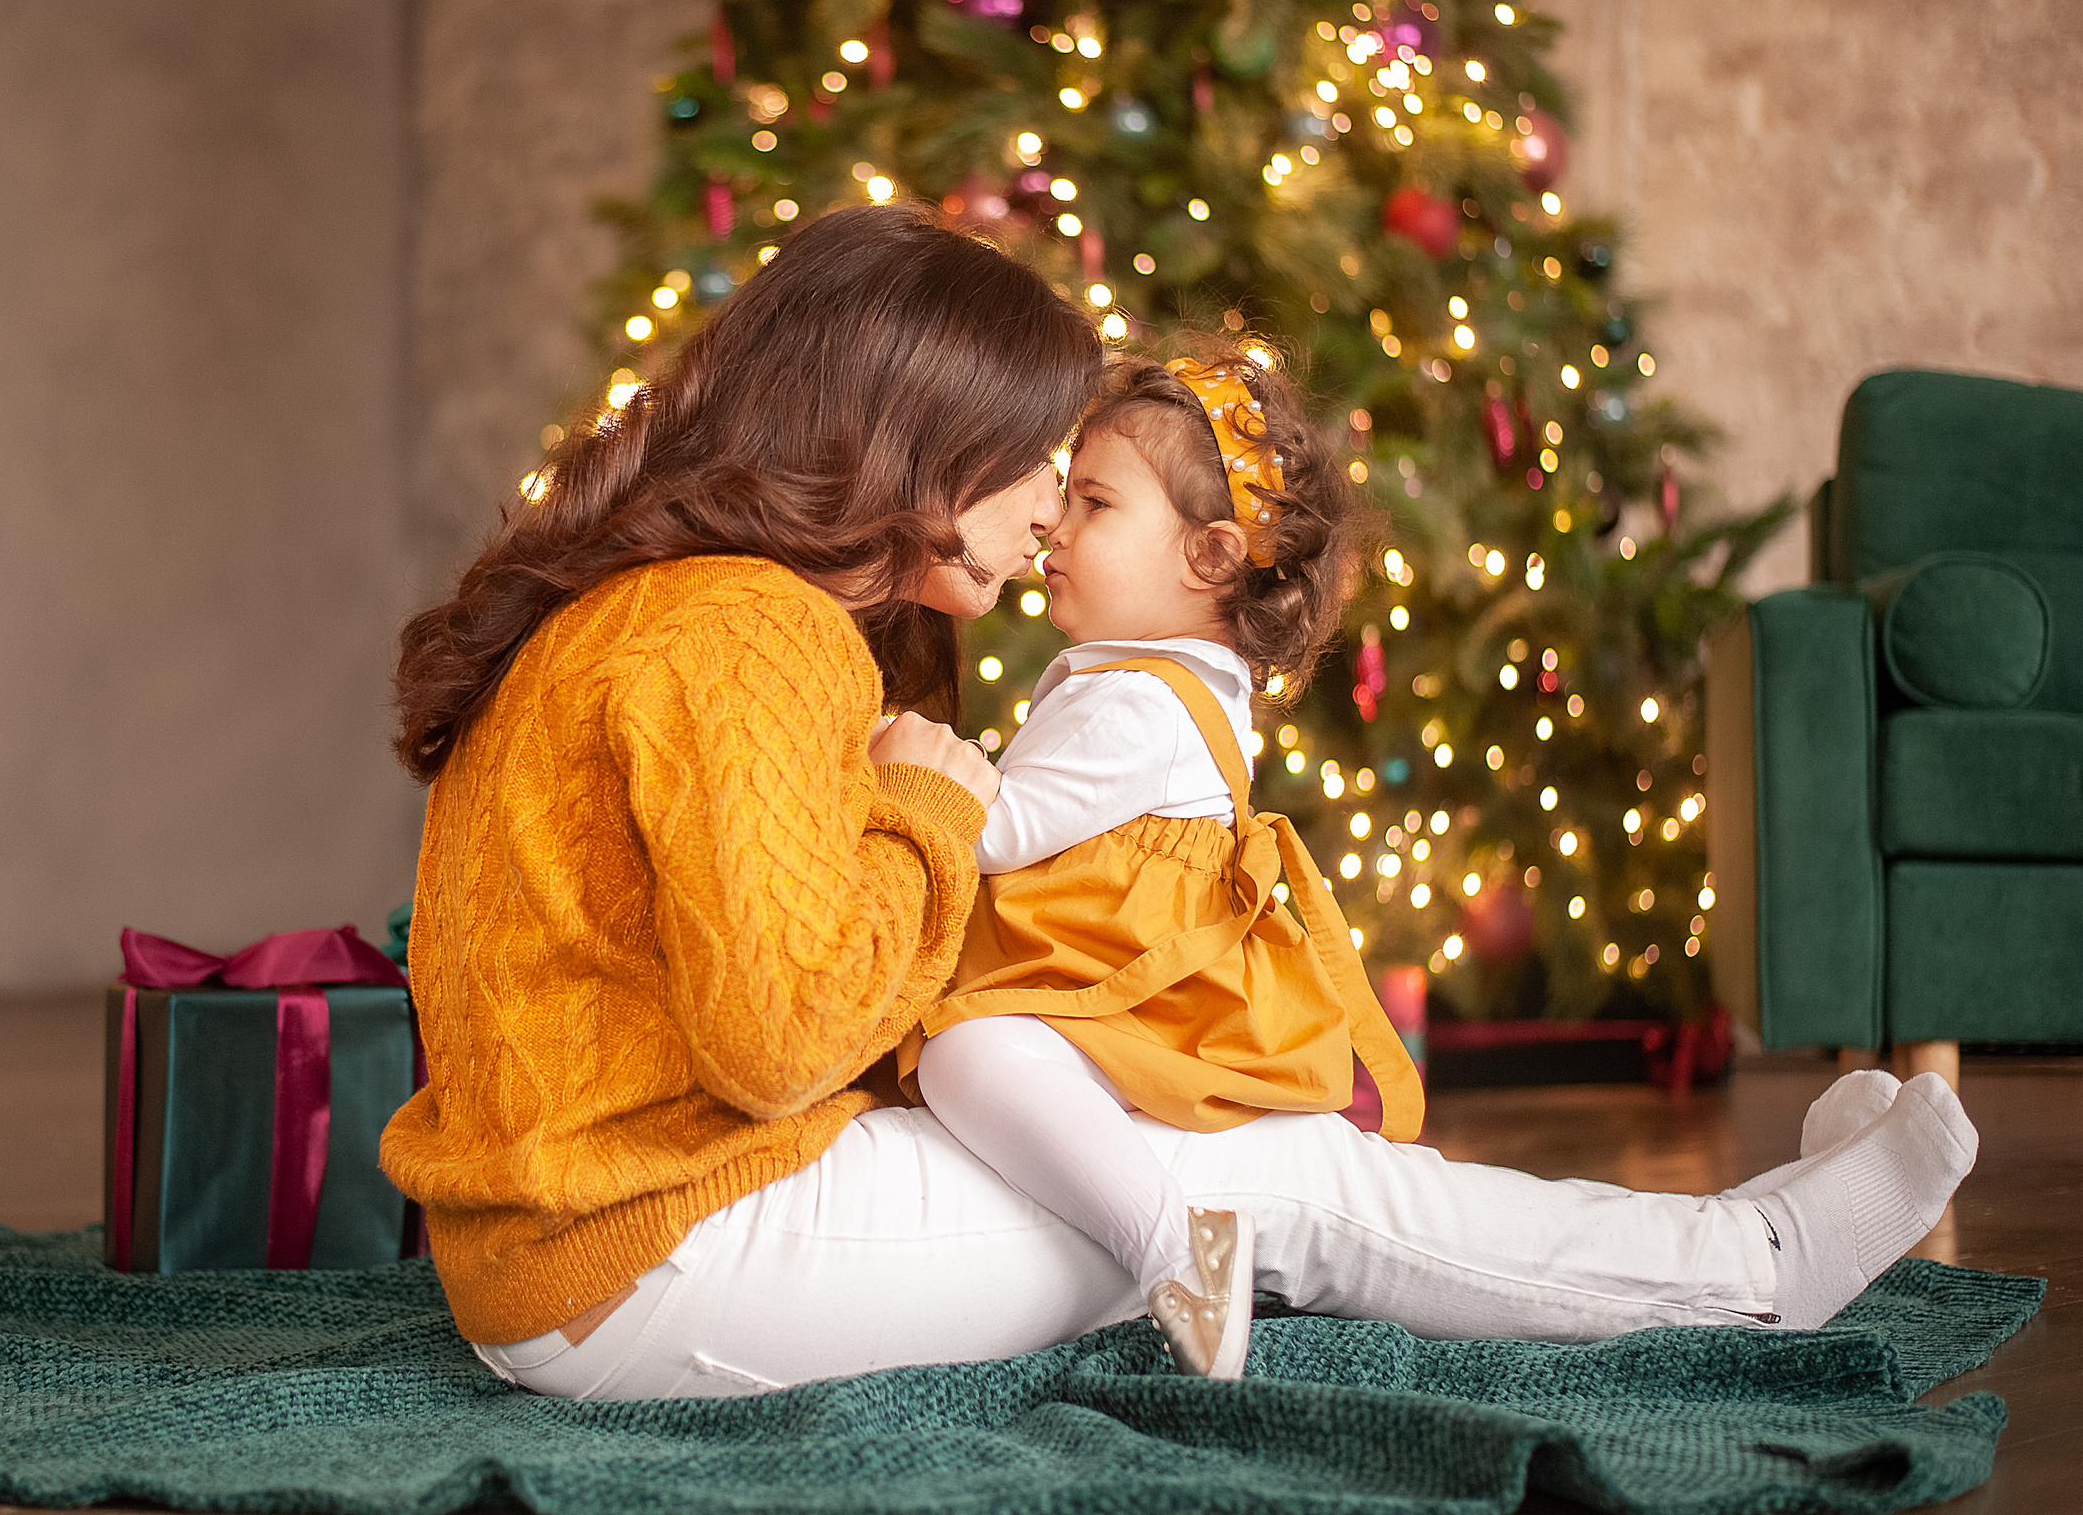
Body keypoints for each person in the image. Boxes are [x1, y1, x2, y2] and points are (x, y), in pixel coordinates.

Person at [381, 205, 1977, 1403]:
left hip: (575, 1254)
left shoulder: (678, 609)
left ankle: (1730, 1237)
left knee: (1209, 1158)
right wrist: (931, 813)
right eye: (1032, 470)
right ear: (916, 439)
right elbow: (780, 1035)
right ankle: (1760, 1269)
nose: (1038, 523)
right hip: (656, 1263)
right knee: (1284, 1179)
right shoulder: (748, 632)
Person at [897, 350, 1976, 1382]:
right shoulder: (1152, 676)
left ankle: (1181, 1254)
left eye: (1095, 502)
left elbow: (992, 833)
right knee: (1372, 1196)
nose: (1053, 523)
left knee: (971, 1052)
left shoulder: (1132, 695)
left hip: (1127, 1003)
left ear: (1210, 557)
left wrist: (902, 766)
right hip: (1123, 998)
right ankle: (1764, 1240)